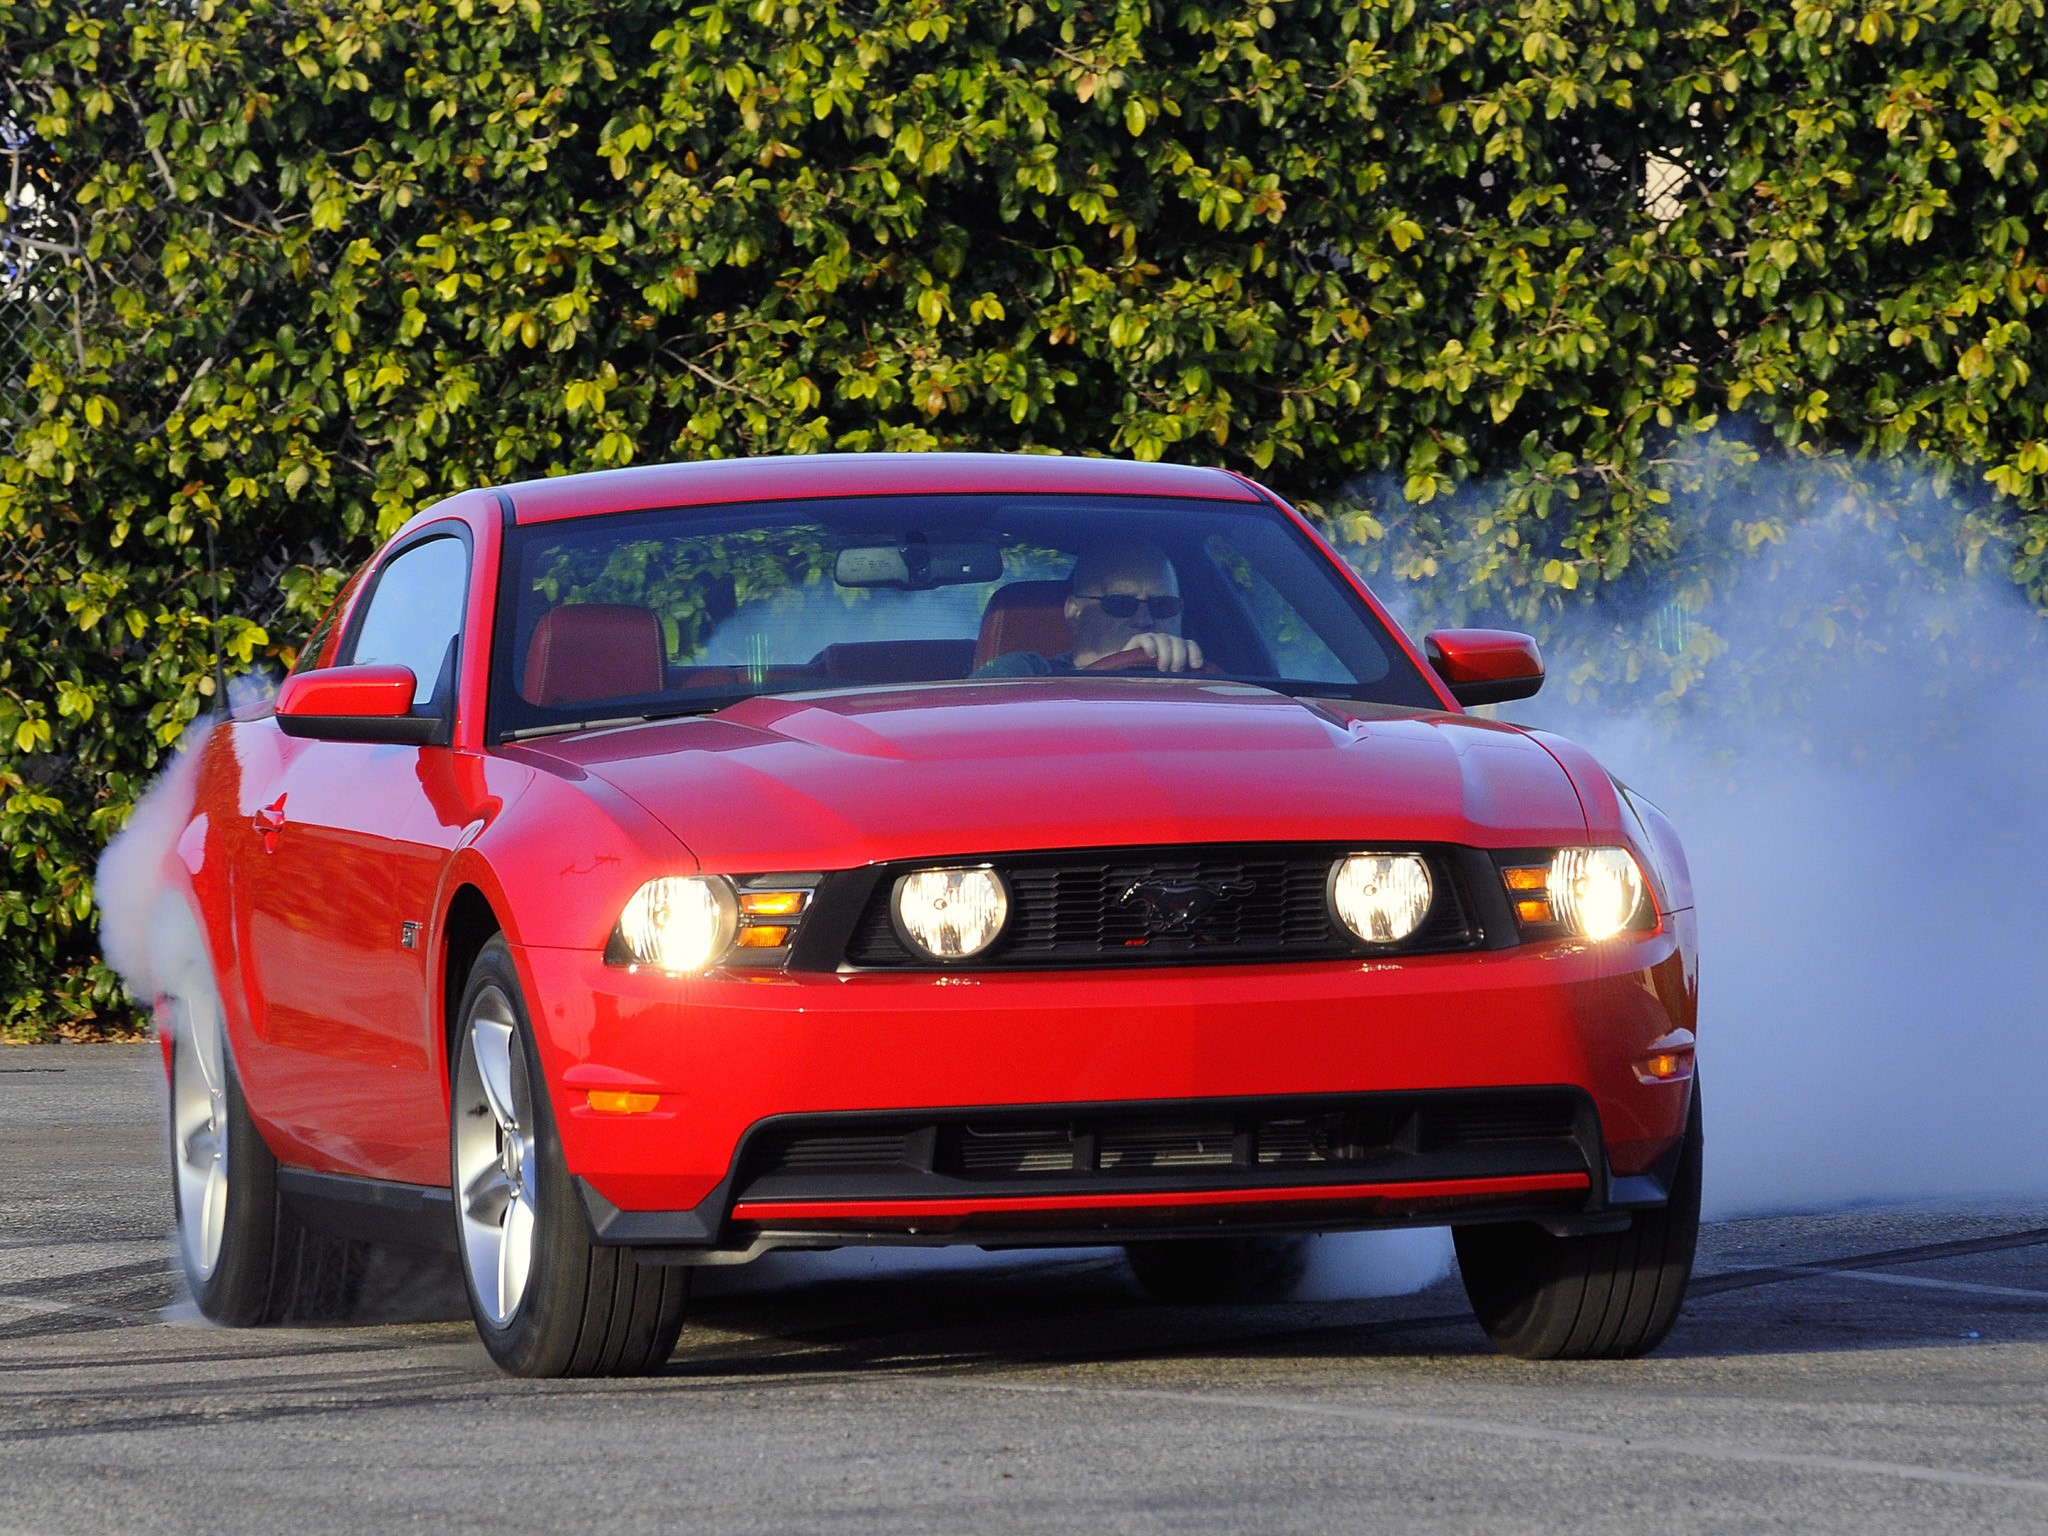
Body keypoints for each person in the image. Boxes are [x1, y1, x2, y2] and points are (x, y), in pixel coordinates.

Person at [976, 540, 1205, 676]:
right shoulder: (1025, 675)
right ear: (1075, 612)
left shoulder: (1213, 687)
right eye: (1120, 603)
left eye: (1163, 605)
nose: (1144, 620)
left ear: (1181, 612)